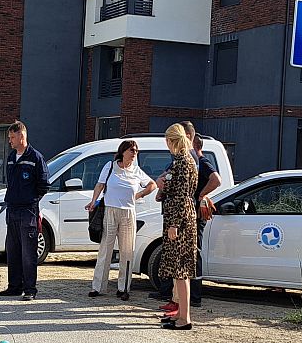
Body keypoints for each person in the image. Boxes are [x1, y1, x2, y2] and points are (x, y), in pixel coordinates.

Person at [157, 134, 222, 310]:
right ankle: (177, 303)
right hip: (184, 215)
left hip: (185, 218)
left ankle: (189, 302)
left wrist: (201, 195)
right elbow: (166, 180)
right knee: (180, 266)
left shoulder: (194, 161)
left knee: (185, 264)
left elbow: (184, 193)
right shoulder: (184, 161)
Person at [85, 140, 156, 300]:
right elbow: (100, 185)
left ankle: (124, 287)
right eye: (132, 150)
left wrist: (138, 195)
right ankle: (98, 286)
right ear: (123, 151)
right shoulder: (110, 166)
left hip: (128, 213)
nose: (134, 153)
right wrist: (93, 200)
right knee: (105, 249)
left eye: (136, 150)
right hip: (110, 210)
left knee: (127, 251)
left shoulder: (136, 170)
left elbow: (152, 185)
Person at [0, 121, 50, 301]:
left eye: (12, 137)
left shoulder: (35, 158)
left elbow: (44, 185)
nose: (10, 141)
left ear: (21, 136)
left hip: (28, 211)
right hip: (12, 209)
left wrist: (32, 201)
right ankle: (14, 286)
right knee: (13, 251)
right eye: (9, 138)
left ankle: (30, 289)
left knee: (28, 253)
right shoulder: (12, 157)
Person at [159, 123, 198, 331]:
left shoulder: (183, 162)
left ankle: (185, 318)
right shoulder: (184, 161)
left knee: (181, 271)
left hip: (181, 221)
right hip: (181, 217)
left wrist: (174, 224)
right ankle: (181, 314)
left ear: (171, 140)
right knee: (178, 271)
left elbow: (182, 196)